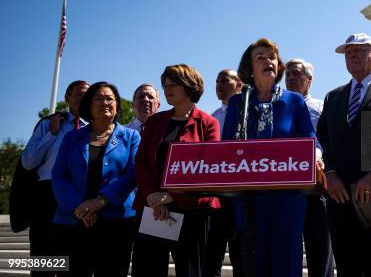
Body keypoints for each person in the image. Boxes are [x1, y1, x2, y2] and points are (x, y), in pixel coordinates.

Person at [223, 38, 316, 277]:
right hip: (248, 199)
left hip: (289, 197)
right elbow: (226, 150)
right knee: (253, 264)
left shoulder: (293, 101)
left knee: (286, 262)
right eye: (260, 57)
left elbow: (310, 139)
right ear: (250, 69)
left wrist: (316, 156)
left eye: (272, 56)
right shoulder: (237, 103)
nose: (268, 61)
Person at [317, 33, 371, 277]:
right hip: (339, 195)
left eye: (358, 51)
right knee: (348, 263)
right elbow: (324, 139)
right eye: (348, 53)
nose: (351, 56)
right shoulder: (334, 97)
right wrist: (329, 173)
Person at [132, 64, 221, 277]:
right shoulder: (155, 121)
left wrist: (170, 197)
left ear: (190, 86)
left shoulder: (209, 123)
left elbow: (208, 168)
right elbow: (142, 161)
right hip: (152, 207)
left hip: (193, 211)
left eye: (173, 84)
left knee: (190, 271)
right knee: (147, 270)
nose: (167, 89)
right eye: (165, 85)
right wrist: (154, 196)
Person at [52, 82, 140, 276]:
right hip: (74, 220)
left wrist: (100, 201)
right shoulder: (71, 138)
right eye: (99, 98)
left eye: (110, 98)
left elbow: (133, 173)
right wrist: (81, 207)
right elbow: (58, 175)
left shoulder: (131, 136)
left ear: (117, 105)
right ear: (89, 105)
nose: (105, 102)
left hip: (116, 223)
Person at [19, 80, 89, 275]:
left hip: (80, 198)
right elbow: (28, 162)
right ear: (67, 98)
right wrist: (51, 134)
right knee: (44, 262)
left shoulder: (95, 129)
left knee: (77, 263)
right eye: (78, 93)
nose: (83, 98)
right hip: (47, 198)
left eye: (87, 94)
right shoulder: (48, 124)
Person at [285, 58, 334, 277]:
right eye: (287, 75)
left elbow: (331, 143)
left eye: (296, 74)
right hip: (286, 189)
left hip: (317, 187)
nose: (291, 78)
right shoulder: (277, 109)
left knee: (320, 247)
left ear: (309, 79)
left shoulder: (323, 107)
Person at [204, 69, 243, 277]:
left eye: (224, 80)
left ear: (239, 85)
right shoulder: (212, 119)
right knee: (213, 250)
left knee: (240, 252)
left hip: (242, 194)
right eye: (216, 81)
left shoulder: (250, 113)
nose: (219, 84)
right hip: (218, 194)